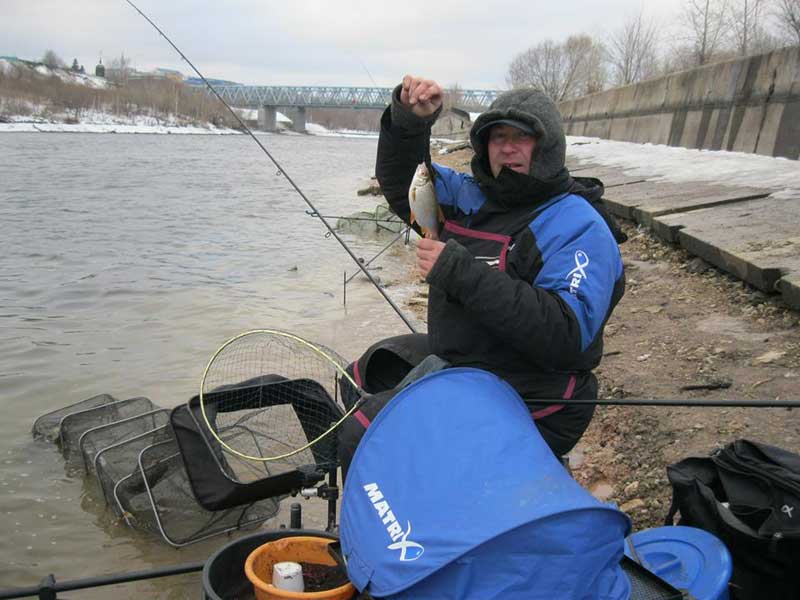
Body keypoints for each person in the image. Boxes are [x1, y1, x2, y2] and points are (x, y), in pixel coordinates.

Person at [346, 75, 626, 460]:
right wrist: (409, 122)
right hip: (470, 362)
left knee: (364, 432)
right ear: (484, 145)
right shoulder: (469, 194)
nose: (507, 149)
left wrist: (461, 273)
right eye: (498, 137)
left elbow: (565, 334)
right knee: (361, 375)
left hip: (536, 397)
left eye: (521, 138)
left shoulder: (578, 224)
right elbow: (407, 182)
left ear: (546, 147)